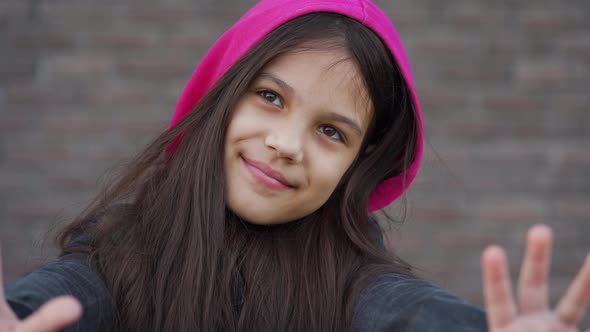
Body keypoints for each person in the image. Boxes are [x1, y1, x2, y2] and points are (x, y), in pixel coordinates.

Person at [2, 0, 589, 331]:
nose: (286, 144)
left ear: (358, 167)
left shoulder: (356, 288)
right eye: (271, 97)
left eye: (331, 131)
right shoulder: (114, 255)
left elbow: (409, 317)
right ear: (221, 101)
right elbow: (55, 305)